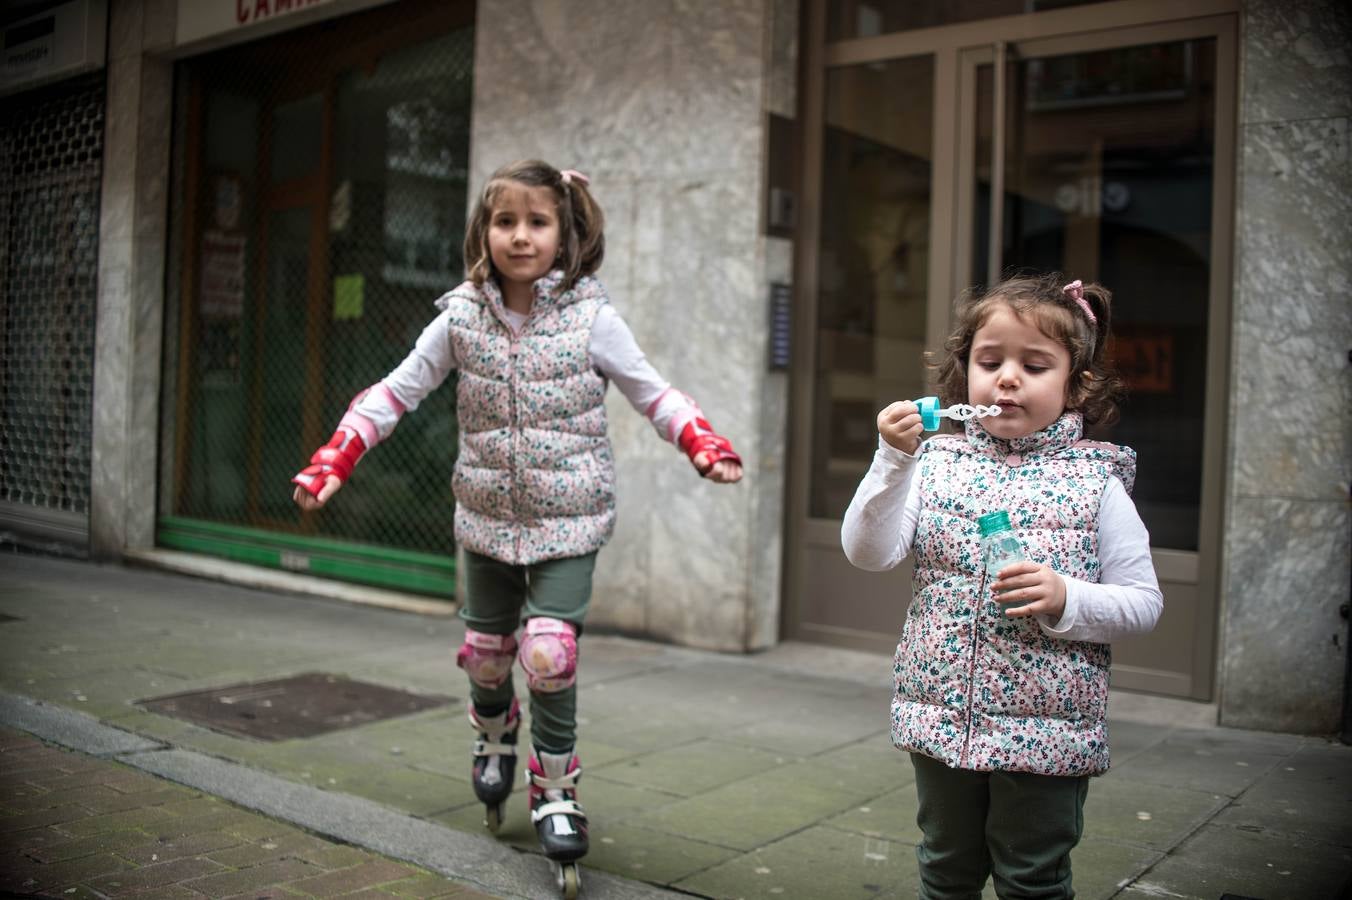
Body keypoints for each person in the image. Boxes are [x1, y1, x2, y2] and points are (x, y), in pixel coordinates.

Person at [291, 160, 742, 891]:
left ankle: (556, 790)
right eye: (506, 222)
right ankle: (494, 733)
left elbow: (653, 392)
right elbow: (396, 392)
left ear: (565, 232)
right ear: (484, 232)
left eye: (537, 222)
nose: (521, 237)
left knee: (549, 655)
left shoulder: (594, 319)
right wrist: (336, 456)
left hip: (569, 520)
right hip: (487, 520)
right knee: (490, 658)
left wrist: (702, 442)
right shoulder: (460, 318)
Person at [840, 273, 1162, 899]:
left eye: (1034, 365)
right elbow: (867, 552)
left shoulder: (1097, 484)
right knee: (945, 868)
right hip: (939, 720)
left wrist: (1068, 597)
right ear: (966, 376)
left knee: (1032, 877)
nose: (1008, 377)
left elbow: (1144, 603)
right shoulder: (933, 463)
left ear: (1078, 384)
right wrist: (891, 459)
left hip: (1047, 728)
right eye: (991, 361)